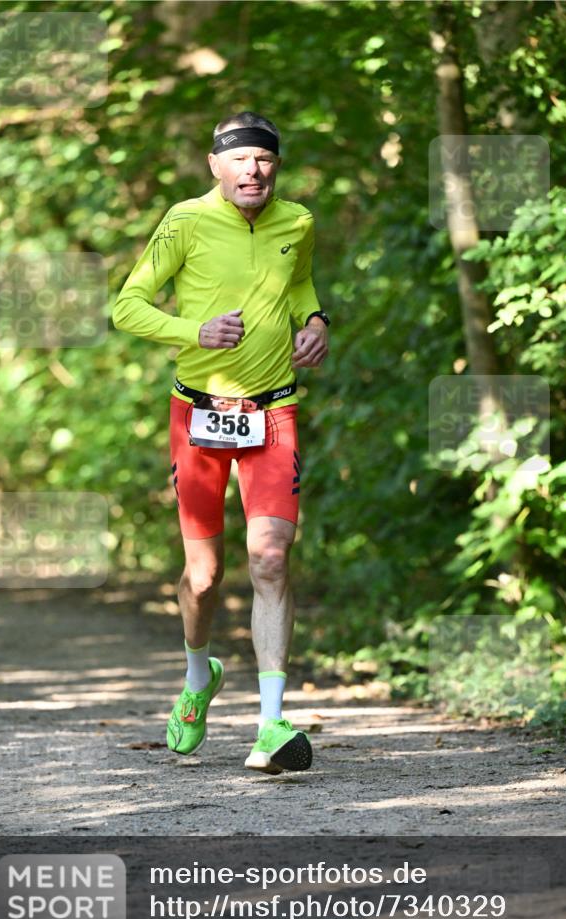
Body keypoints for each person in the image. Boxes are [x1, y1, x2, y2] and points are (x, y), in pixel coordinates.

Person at [112, 111, 330, 775]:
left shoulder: (297, 222)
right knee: (203, 579)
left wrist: (315, 319)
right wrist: (193, 331)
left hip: (273, 412)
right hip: (198, 415)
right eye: (239, 159)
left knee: (271, 558)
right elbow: (127, 306)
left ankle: (271, 726)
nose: (252, 170)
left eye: (263, 159)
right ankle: (197, 675)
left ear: (276, 166)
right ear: (215, 166)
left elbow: (299, 283)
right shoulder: (185, 221)